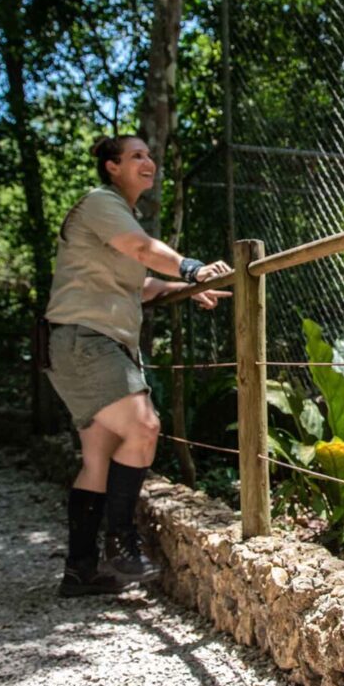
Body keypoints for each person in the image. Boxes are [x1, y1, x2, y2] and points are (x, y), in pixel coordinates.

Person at [44, 134, 230, 597]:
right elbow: (145, 251)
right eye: (136, 156)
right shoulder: (101, 203)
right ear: (111, 167)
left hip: (82, 343)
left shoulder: (117, 215)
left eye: (150, 154)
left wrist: (178, 290)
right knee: (144, 426)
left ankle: (80, 570)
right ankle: (122, 542)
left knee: (98, 460)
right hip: (87, 341)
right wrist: (192, 269)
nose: (149, 161)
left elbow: (136, 282)